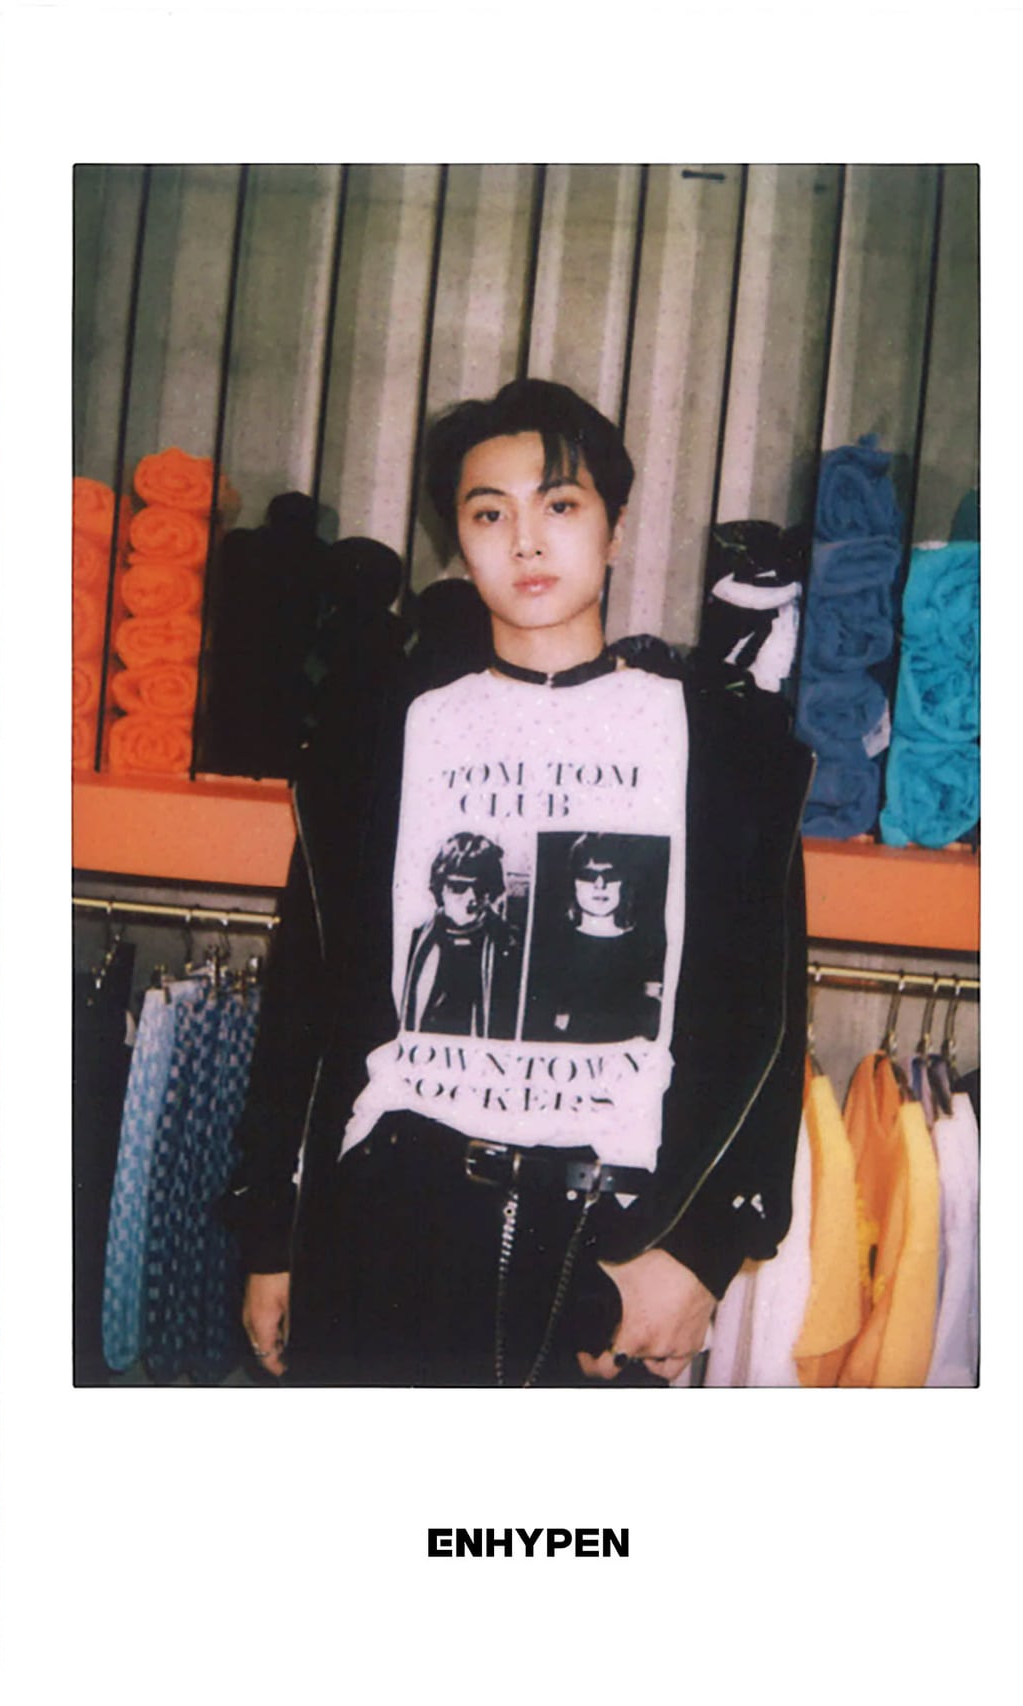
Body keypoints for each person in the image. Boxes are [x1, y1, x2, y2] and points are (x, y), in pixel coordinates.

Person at [227, 377, 813, 1388]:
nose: (527, 541)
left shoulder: (719, 742)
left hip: (614, 1247)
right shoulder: (383, 735)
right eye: (489, 513)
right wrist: (272, 1234)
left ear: (615, 527)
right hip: (389, 1225)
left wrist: (700, 1251)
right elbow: (305, 998)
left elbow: (767, 1018)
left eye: (561, 504)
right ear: (458, 539)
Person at [523, 832, 665, 1044]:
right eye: (588, 875)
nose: (600, 884)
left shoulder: (643, 946)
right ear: (573, 882)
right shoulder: (553, 947)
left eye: (611, 874)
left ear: (624, 882)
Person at [400, 831, 522, 1037]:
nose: (471, 898)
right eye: (459, 887)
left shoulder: (508, 944)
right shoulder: (418, 939)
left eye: (481, 888)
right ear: (440, 888)